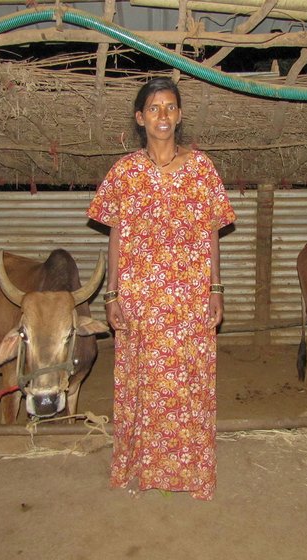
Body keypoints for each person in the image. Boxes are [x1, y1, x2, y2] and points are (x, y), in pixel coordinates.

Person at [87, 77, 236, 500]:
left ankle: (189, 470)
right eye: (154, 108)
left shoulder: (202, 168)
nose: (163, 116)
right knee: (144, 383)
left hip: (189, 300)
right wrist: (111, 294)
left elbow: (212, 233)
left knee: (189, 382)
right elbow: (114, 234)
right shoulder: (125, 173)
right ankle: (143, 465)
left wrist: (216, 289)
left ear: (180, 115)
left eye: (170, 107)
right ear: (140, 118)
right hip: (141, 300)